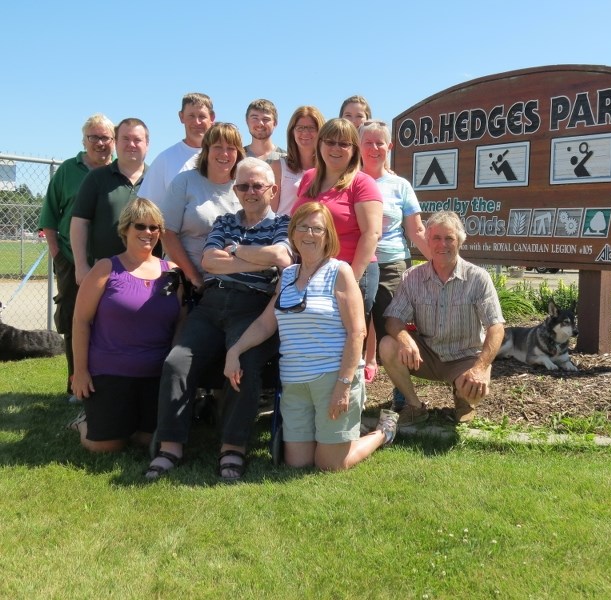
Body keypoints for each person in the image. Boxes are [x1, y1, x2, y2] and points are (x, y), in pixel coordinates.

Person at [146, 157, 292, 482]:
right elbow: (210, 262)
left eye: (257, 185)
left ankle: (232, 448)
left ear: (273, 189)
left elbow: (282, 257)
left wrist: (235, 252)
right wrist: (259, 259)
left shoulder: (284, 223)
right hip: (211, 305)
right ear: (236, 190)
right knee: (176, 362)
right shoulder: (224, 220)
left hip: (254, 308)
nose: (250, 191)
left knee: (244, 364)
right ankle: (171, 447)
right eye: (243, 185)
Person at [225, 202, 398, 471]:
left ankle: (381, 432)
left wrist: (343, 384)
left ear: (328, 235)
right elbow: (265, 324)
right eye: (303, 227)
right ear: (293, 233)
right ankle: (340, 434)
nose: (309, 234)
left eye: (317, 228)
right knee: (298, 463)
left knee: (329, 465)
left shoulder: (339, 271)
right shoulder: (288, 275)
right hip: (294, 381)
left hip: (332, 377)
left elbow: (357, 332)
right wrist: (234, 351)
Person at [68, 198, 183, 452]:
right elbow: (80, 321)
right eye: (140, 226)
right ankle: (83, 423)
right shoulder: (105, 268)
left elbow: (180, 325)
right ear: (125, 229)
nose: (148, 233)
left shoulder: (173, 272)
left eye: (155, 228)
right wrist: (81, 372)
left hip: (156, 375)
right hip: (110, 372)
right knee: (106, 446)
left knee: (146, 441)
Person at [379, 211, 505, 426]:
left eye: (449, 238)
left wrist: (481, 368)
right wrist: (406, 340)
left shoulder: (477, 277)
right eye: (436, 238)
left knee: (476, 390)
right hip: (426, 354)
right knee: (388, 345)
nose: (442, 244)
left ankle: (464, 400)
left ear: (460, 241)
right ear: (427, 241)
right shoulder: (413, 277)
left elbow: (496, 325)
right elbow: (393, 318)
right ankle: (415, 407)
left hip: (464, 357)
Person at [38, 113, 115, 402]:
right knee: (74, 321)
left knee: (110, 321)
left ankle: (106, 380)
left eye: (105, 137)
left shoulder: (120, 172)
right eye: (93, 137)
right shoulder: (68, 171)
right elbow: (49, 217)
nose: (100, 143)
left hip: (111, 262)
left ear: (114, 142)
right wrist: (60, 258)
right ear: (83, 141)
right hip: (73, 262)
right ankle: (76, 383)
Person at [359, 120, 430, 385]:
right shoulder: (348, 180)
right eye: (368, 142)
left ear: (389, 147)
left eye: (380, 143)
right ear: (359, 145)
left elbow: (417, 231)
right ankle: (349, 391)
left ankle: (401, 394)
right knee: (351, 330)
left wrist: (445, 264)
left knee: (393, 329)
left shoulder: (400, 185)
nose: (374, 148)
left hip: (391, 264)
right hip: (355, 265)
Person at [292, 118, 382, 321]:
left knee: (346, 339)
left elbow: (372, 234)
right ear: (320, 143)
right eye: (330, 141)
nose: (336, 148)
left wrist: (350, 279)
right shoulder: (309, 178)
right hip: (309, 271)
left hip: (350, 269)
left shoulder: (362, 183)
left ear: (353, 150)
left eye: (344, 143)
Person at [160, 122, 245, 291]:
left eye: (231, 148)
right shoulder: (184, 181)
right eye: (217, 147)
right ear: (206, 150)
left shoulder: (244, 187)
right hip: (186, 282)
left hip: (231, 286)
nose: (224, 153)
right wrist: (194, 277)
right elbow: (167, 233)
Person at [71, 118, 150, 286]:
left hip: (148, 274)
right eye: (125, 139)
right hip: (104, 273)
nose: (131, 144)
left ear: (147, 144)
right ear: (115, 142)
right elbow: (79, 223)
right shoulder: (96, 178)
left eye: (137, 140)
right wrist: (81, 266)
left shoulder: (158, 178)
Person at [138, 93, 215, 209]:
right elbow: (146, 207)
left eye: (202, 116)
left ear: (212, 118)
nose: (197, 122)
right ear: (181, 117)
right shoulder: (165, 159)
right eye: (191, 116)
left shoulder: (223, 158)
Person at [269, 106, 324, 216]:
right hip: (283, 231)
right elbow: (270, 212)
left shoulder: (328, 169)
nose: (305, 132)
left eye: (311, 128)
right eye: (300, 128)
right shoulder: (278, 166)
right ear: (292, 132)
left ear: (321, 132)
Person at [243, 99, 286, 164]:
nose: (260, 123)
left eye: (266, 119)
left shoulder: (286, 159)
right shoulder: (237, 157)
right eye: (255, 118)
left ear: (275, 123)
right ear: (247, 121)